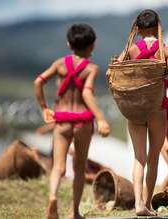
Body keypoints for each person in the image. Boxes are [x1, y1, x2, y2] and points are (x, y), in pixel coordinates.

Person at [34, 23, 110, 219]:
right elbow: (87, 93)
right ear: (92, 46)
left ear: (69, 44)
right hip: (83, 121)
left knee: (58, 166)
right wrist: (101, 118)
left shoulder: (60, 63)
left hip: (61, 120)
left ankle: (52, 197)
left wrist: (44, 108)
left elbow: (39, 81)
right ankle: (74, 212)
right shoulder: (91, 69)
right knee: (79, 167)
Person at [118, 9, 168, 216]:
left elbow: (115, 71)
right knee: (153, 157)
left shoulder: (131, 51)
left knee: (139, 158)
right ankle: (148, 204)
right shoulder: (166, 50)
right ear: (157, 26)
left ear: (138, 29)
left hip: (135, 110)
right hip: (157, 109)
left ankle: (138, 204)